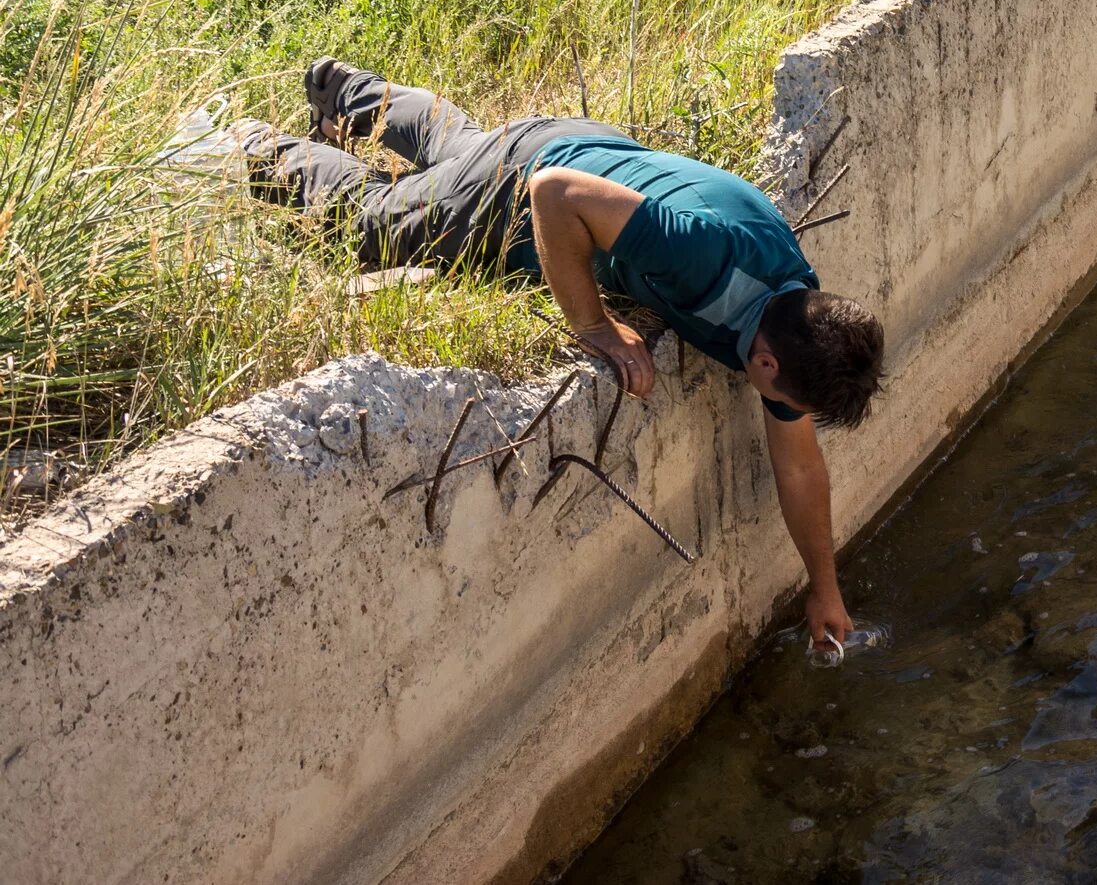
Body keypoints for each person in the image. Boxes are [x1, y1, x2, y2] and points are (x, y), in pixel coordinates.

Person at [232, 59, 883, 650]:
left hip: (562, 141)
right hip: (528, 186)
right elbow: (553, 194)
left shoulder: (795, 309)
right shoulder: (705, 260)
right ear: (768, 368)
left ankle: (344, 91)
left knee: (460, 150)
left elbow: (800, 469)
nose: (778, 411)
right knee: (379, 224)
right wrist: (594, 326)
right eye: (783, 401)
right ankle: (228, 148)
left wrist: (824, 589)